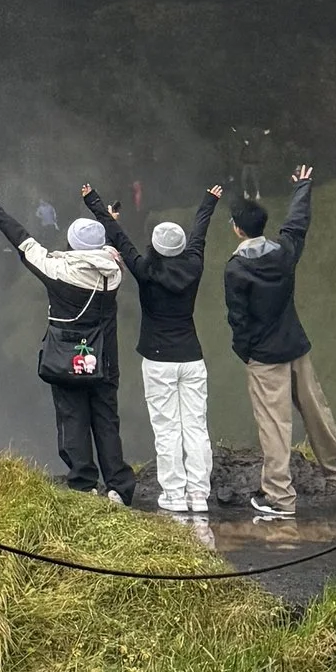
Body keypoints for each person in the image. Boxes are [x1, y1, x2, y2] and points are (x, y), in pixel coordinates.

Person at [0, 186, 134, 500]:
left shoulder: (57, 271)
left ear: (73, 245)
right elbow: (109, 248)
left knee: (73, 418)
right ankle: (119, 486)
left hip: (68, 358)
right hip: (104, 360)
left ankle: (84, 483)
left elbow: (24, 242)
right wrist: (108, 222)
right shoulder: (113, 272)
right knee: (106, 419)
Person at [88, 179, 221, 545]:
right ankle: (199, 495)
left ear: (156, 248)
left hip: (158, 360)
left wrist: (94, 202)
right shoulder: (193, 266)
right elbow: (200, 234)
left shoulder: (145, 270)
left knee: (167, 428)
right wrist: (208, 201)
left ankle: (174, 496)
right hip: (191, 357)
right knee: (195, 426)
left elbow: (120, 238)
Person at [224, 166, 336, 521]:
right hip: (296, 346)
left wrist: (246, 352)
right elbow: (297, 224)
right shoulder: (283, 254)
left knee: (275, 425)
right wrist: (303, 187)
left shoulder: (236, 270)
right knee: (317, 412)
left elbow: (238, 319)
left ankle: (281, 498)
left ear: (237, 229)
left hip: (265, 357)